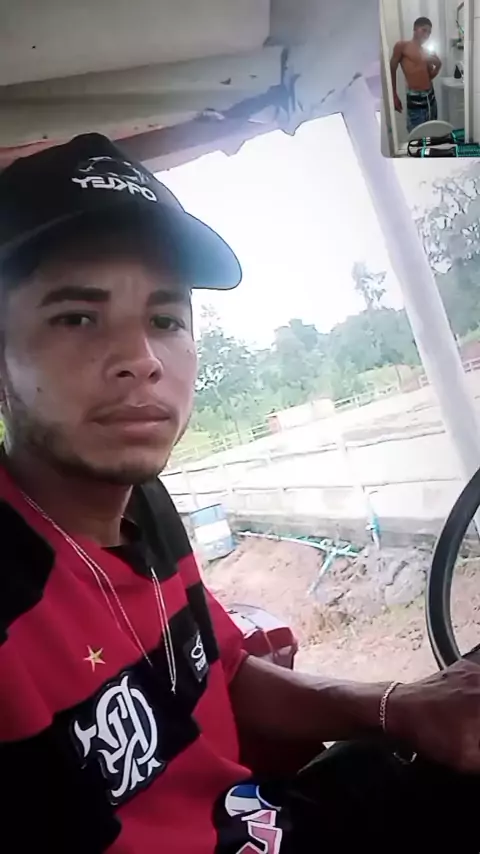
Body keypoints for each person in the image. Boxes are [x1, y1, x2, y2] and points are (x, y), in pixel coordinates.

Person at [1, 134, 480, 854]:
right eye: (77, 317)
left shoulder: (146, 503)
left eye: (165, 320)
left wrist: (399, 707)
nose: (140, 359)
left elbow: (223, 672)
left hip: (264, 818)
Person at [390, 16, 442, 133]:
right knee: (417, 135)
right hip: (415, 99)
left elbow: (429, 77)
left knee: (432, 133)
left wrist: (437, 65)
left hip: (430, 98)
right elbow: (392, 69)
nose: (426, 35)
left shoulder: (426, 51)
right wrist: (393, 95)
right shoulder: (402, 46)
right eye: (424, 30)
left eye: (429, 32)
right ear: (415, 29)